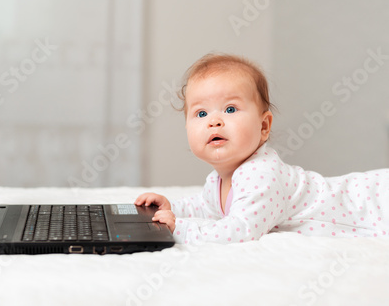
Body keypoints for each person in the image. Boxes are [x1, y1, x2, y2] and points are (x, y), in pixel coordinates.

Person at [135, 53, 389, 245]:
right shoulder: (219, 179)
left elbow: (241, 229)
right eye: (201, 113)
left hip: (372, 203)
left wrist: (179, 229)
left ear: (264, 126)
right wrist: (171, 208)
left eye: (230, 109)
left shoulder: (261, 174)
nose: (214, 121)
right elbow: (206, 207)